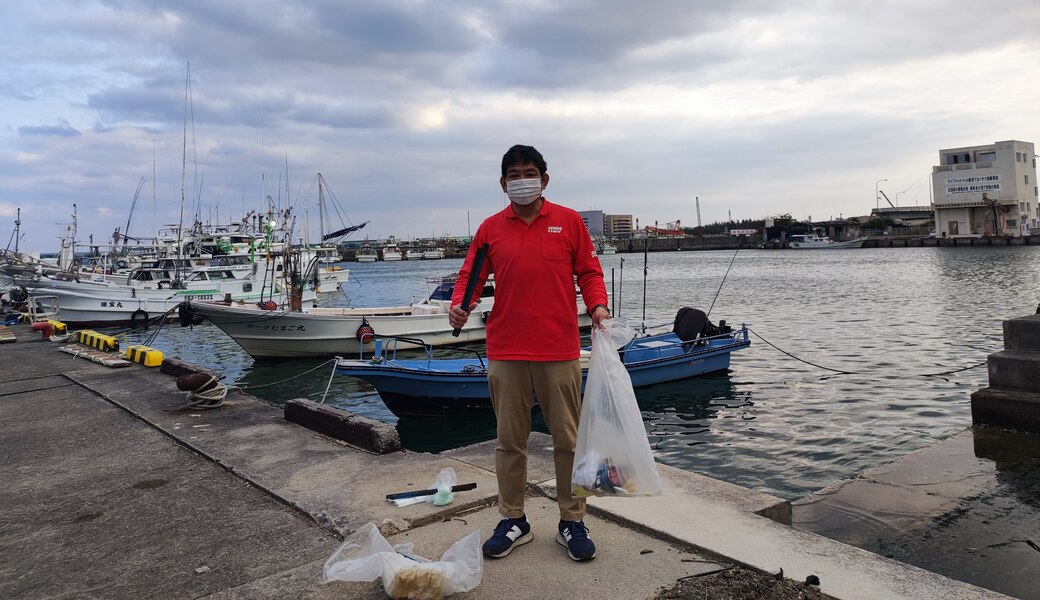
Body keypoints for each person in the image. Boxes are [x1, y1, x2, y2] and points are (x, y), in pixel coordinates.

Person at [449, 145, 610, 562]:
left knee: (568, 440)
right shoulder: (490, 229)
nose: (523, 179)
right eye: (515, 174)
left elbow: (589, 272)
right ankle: (513, 519)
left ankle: (572, 520)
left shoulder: (569, 222)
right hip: (506, 349)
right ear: (503, 183)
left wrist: (598, 306)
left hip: (559, 349)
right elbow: (471, 274)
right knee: (509, 442)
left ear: (544, 178)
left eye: (530, 172)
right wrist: (459, 306)